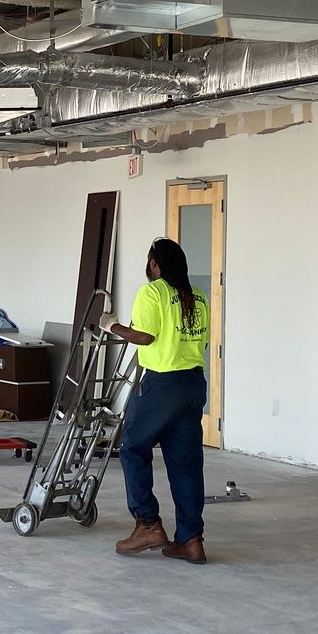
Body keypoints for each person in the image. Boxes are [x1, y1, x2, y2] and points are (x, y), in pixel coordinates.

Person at [110, 238, 212, 564]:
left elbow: (144, 336)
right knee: (185, 463)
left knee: (132, 447)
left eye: (149, 260)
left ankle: (148, 524)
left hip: (162, 384)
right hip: (192, 383)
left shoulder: (152, 292)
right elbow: (203, 343)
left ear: (156, 264)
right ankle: (191, 539)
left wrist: (109, 325)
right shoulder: (198, 296)